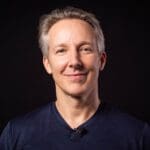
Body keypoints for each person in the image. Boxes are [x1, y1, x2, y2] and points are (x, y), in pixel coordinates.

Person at [0, 6, 150, 150]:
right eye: (61, 51)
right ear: (47, 64)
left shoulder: (138, 135)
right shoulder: (16, 134)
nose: (74, 62)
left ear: (101, 60)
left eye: (85, 49)